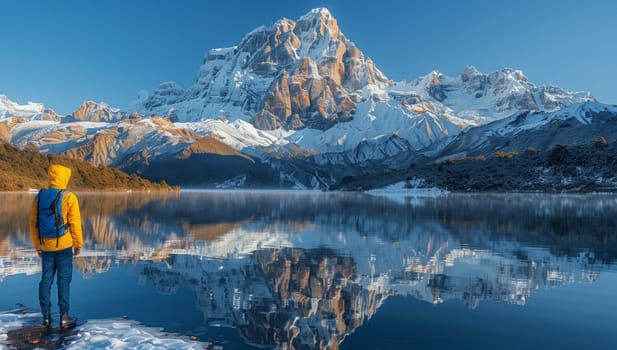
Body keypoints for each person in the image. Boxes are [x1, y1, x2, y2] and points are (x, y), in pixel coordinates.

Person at [29, 164, 83, 328]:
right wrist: (78, 244)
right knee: (63, 281)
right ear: (64, 178)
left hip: (45, 247)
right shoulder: (69, 196)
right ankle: (64, 316)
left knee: (45, 281)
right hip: (64, 246)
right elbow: (74, 223)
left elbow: (33, 224)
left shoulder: (39, 197)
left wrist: (38, 245)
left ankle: (46, 317)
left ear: (51, 177)